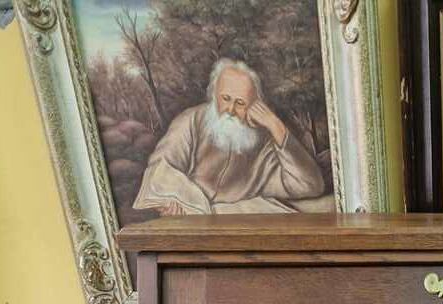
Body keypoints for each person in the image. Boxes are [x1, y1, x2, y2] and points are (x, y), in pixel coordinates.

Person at [133, 58, 332, 216]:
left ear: (255, 105)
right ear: (214, 95)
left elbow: (309, 186)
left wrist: (277, 127)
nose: (230, 110)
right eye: (225, 99)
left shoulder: (261, 141)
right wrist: (171, 201)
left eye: (240, 103)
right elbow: (160, 172)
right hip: (190, 224)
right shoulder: (191, 121)